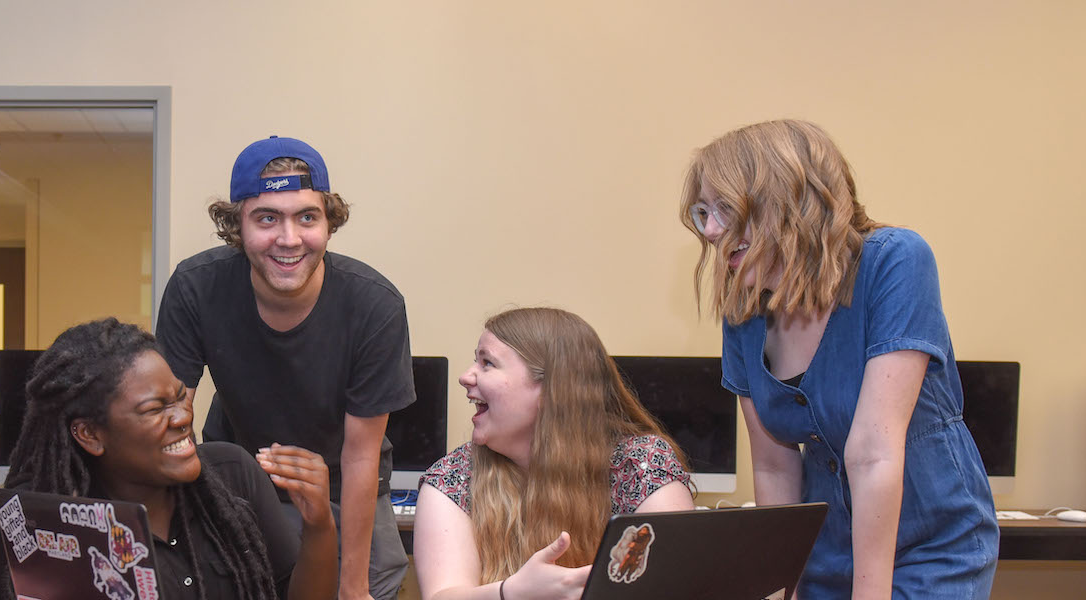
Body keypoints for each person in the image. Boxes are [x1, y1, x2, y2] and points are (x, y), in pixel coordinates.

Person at [679, 119, 998, 598]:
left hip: (932, 547)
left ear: (788, 196)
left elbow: (873, 453)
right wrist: (778, 588)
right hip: (823, 554)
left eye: (725, 207)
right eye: (703, 212)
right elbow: (773, 467)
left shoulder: (895, 262)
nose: (710, 230)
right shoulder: (744, 313)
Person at [156, 136, 413, 599]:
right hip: (239, 479)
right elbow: (171, 423)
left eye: (307, 217)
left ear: (329, 225)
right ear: (238, 226)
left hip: (345, 486)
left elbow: (360, 455)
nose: (289, 239)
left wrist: (352, 589)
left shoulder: (375, 305)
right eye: (267, 218)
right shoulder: (196, 288)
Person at [0, 318, 338, 600]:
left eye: (180, 398)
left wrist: (319, 525)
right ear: (90, 434)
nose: (182, 417)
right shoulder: (38, 520)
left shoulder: (233, 475)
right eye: (154, 409)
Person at [413, 307, 695, 600]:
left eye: (487, 363)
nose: (465, 377)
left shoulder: (641, 463)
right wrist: (510, 593)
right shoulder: (452, 478)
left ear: (551, 389)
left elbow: (675, 586)